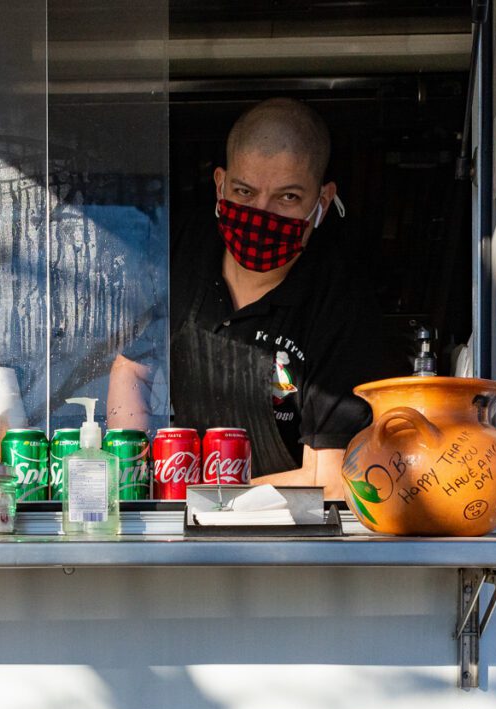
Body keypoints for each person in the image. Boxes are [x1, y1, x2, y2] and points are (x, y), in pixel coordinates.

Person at [107, 98, 386, 499]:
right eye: (244, 191)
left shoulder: (342, 305)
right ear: (220, 185)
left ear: (322, 202)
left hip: (291, 539)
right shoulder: (180, 254)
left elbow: (333, 478)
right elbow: (132, 368)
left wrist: (211, 502)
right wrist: (133, 478)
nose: (262, 213)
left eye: (287, 197)